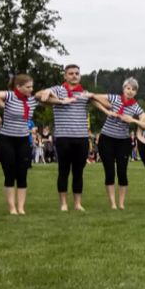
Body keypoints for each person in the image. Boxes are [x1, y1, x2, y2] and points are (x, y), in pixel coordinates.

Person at [0, 74, 68, 215]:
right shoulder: (9, 96)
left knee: (22, 175)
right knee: (9, 174)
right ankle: (12, 207)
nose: (31, 89)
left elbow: (48, 100)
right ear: (18, 87)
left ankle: (21, 207)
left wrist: (61, 100)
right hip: (7, 139)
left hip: (23, 140)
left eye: (32, 86)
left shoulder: (32, 100)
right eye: (28, 87)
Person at [36, 64, 95, 212]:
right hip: (63, 138)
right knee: (63, 171)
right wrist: (56, 97)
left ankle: (77, 203)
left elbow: (100, 101)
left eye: (76, 73)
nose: (74, 75)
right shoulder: (58, 90)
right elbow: (38, 95)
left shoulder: (84, 93)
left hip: (81, 138)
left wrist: (92, 96)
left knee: (78, 172)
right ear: (65, 76)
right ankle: (63, 203)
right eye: (71, 73)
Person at [91, 77, 145, 210]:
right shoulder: (114, 98)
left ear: (136, 93)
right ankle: (113, 203)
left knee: (122, 172)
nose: (130, 91)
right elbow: (93, 98)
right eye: (128, 88)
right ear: (123, 89)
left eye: (133, 89)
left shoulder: (136, 107)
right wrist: (107, 111)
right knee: (109, 172)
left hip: (123, 142)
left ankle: (121, 203)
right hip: (106, 139)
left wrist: (132, 120)